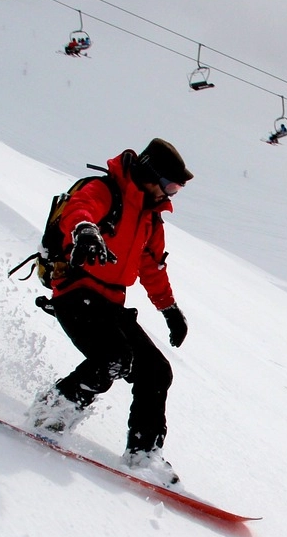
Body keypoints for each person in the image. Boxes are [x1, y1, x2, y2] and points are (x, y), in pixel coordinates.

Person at [27, 138, 193, 485]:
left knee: (156, 371)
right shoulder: (105, 191)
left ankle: (143, 454)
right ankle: (49, 414)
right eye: (169, 186)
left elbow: (151, 268)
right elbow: (79, 210)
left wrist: (170, 309)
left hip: (111, 302)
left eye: (176, 189)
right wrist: (85, 231)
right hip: (75, 292)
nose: (170, 195)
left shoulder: (150, 219)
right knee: (113, 358)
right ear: (148, 173)